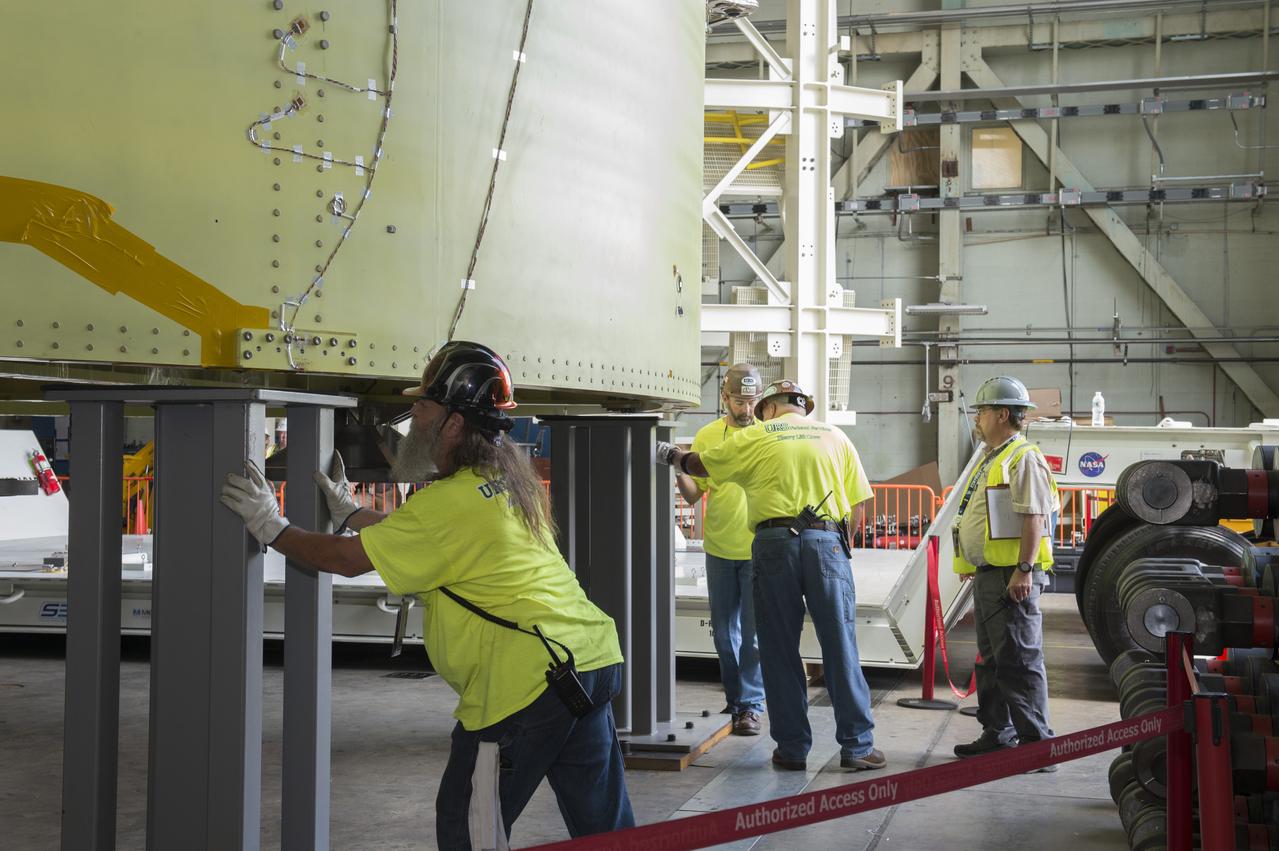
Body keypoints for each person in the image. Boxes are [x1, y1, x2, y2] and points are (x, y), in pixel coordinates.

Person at [220, 341, 634, 849]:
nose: (412, 412)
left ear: (454, 423)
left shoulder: (450, 501)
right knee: (605, 828)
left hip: (524, 684)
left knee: (468, 828)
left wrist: (271, 526)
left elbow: (348, 561)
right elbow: (421, 537)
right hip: (587, 662)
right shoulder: (501, 480)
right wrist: (351, 514)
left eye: (423, 404)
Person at [656, 379, 886, 773]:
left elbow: (701, 467)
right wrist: (837, 547)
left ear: (769, 408)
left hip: (774, 543)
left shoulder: (758, 435)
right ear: (801, 406)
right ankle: (858, 747)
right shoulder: (835, 435)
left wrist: (672, 456)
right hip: (827, 542)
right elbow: (861, 500)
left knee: (778, 650)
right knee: (840, 646)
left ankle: (793, 749)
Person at [950, 375, 1059, 767]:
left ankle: (1037, 745)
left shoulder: (1022, 457)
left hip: (1011, 576)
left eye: (981, 411)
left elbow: (1034, 517)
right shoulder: (993, 457)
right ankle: (997, 733)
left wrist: (1024, 570)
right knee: (992, 660)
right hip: (990, 574)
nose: (976, 419)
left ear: (1001, 414)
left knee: (1020, 661)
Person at [677, 363, 766, 736]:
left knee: (753, 634)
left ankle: (750, 704)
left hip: (757, 549)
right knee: (723, 633)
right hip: (719, 548)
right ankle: (737, 698)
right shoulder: (708, 435)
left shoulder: (768, 435)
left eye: (753, 401)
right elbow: (696, 495)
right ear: (724, 398)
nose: (747, 410)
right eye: (740, 402)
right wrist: (677, 466)